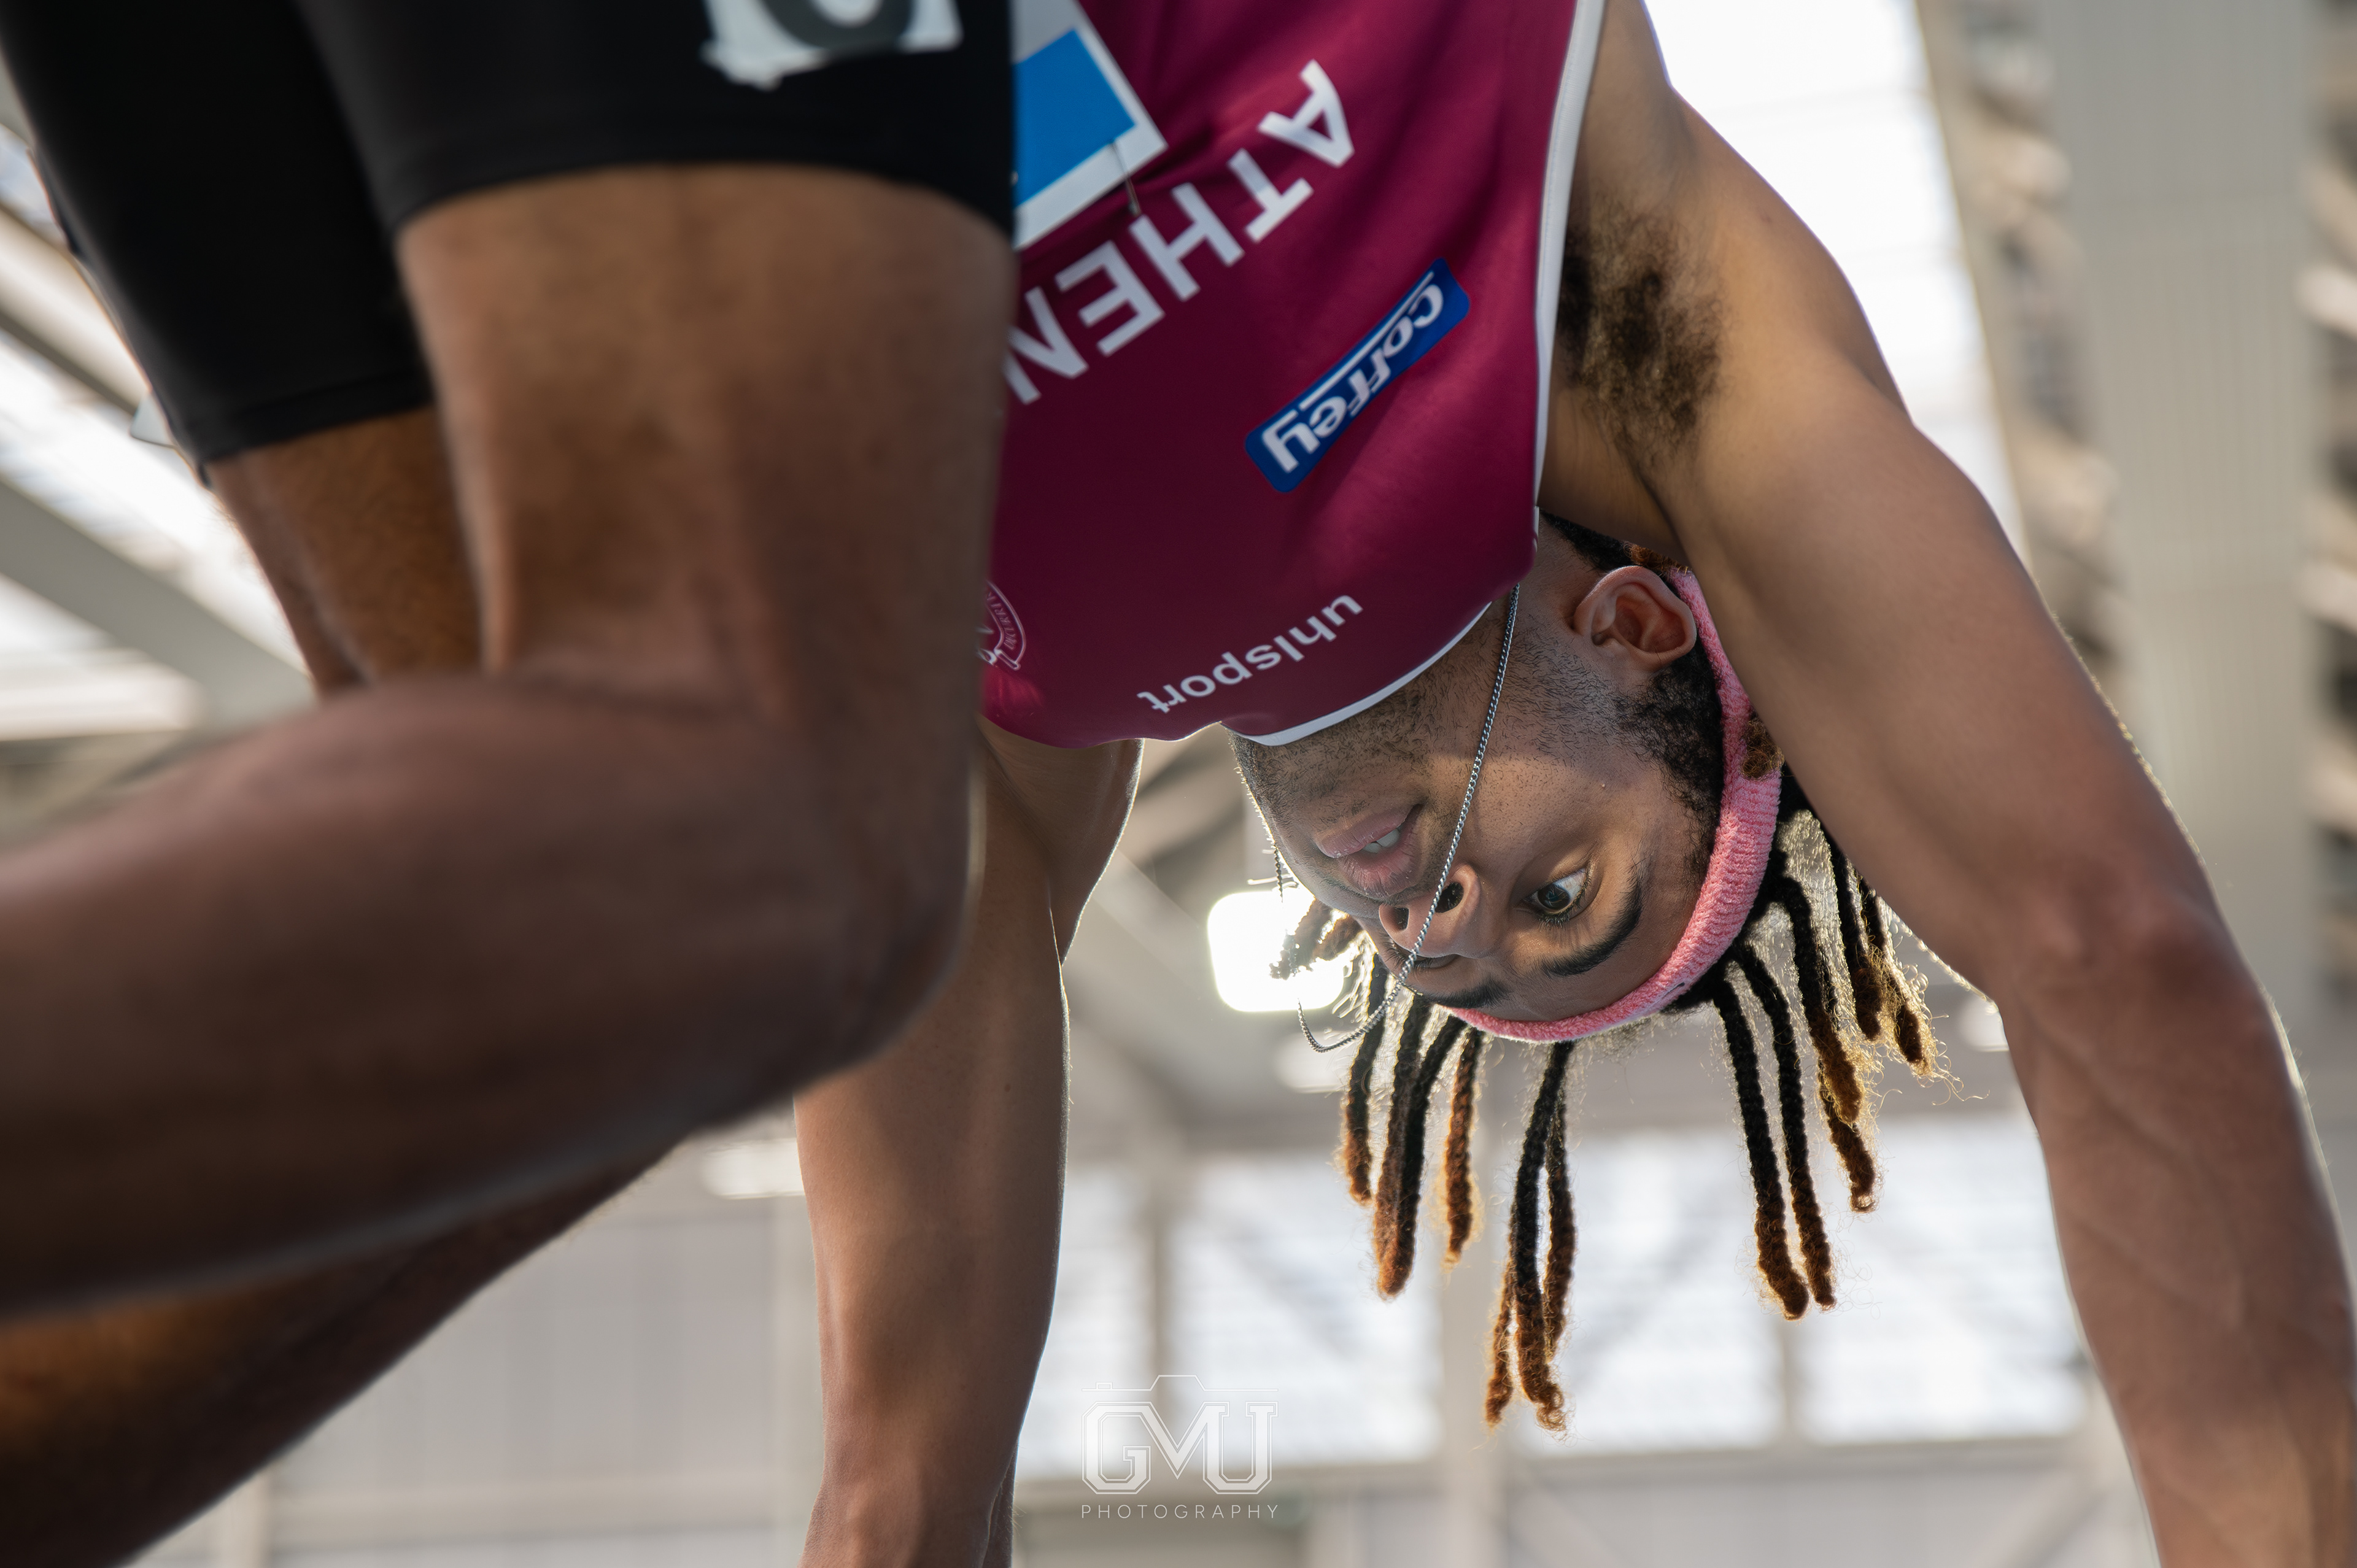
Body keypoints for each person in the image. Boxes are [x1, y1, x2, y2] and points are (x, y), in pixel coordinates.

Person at [0, 6, 2345, 1568]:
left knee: (546, 985)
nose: (1442, 924)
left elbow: (904, 1476)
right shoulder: (1640, 327)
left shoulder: (1020, 751)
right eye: (1561, 894)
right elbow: (2113, 960)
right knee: (718, 871)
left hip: (381, 96)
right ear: (1649, 629)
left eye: (1456, 964)